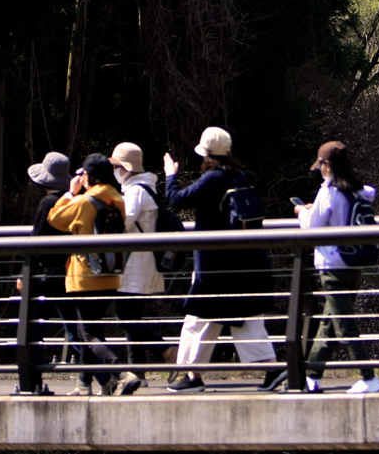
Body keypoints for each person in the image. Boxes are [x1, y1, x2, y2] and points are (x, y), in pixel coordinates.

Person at [162, 125, 281, 393]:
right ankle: (272, 369)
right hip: (243, 264)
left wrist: (171, 175)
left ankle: (190, 377)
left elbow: (176, 200)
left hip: (215, 268)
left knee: (198, 320)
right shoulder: (239, 176)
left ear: (207, 155)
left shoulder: (213, 179)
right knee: (246, 318)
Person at [293, 141, 379, 394]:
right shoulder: (357, 189)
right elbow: (365, 196)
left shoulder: (328, 191)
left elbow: (312, 229)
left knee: (343, 324)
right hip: (354, 265)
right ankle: (312, 376)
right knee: (330, 322)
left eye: (320, 166)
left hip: (333, 266)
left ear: (328, 166)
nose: (319, 170)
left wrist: (302, 211)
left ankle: (369, 378)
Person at [46, 152, 127, 395]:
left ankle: (121, 372)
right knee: (91, 329)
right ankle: (84, 384)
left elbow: (56, 219)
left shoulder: (83, 202)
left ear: (88, 176)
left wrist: (71, 193)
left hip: (84, 277)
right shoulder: (117, 199)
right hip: (111, 275)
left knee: (87, 333)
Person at [109, 141, 166, 396]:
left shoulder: (135, 191)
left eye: (115, 166)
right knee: (133, 316)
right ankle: (138, 371)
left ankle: (165, 351)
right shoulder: (144, 187)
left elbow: (124, 223)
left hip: (135, 264)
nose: (114, 171)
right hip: (142, 262)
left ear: (125, 168)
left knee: (126, 316)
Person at [21, 151, 74, 394]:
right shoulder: (74, 201)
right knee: (75, 328)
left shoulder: (47, 203)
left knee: (35, 327)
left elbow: (36, 240)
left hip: (47, 274)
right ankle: (100, 374)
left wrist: (25, 273)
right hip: (71, 272)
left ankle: (33, 380)